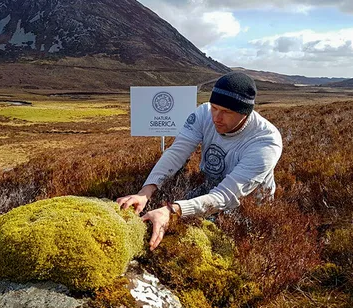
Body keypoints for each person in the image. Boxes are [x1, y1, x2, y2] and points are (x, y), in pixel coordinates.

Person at [117, 71, 283, 251]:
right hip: (209, 186)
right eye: (214, 107)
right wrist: (146, 190)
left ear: (246, 113)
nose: (216, 118)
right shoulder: (203, 112)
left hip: (248, 204)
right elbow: (177, 152)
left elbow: (225, 196)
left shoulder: (266, 142)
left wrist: (172, 211)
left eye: (226, 112)